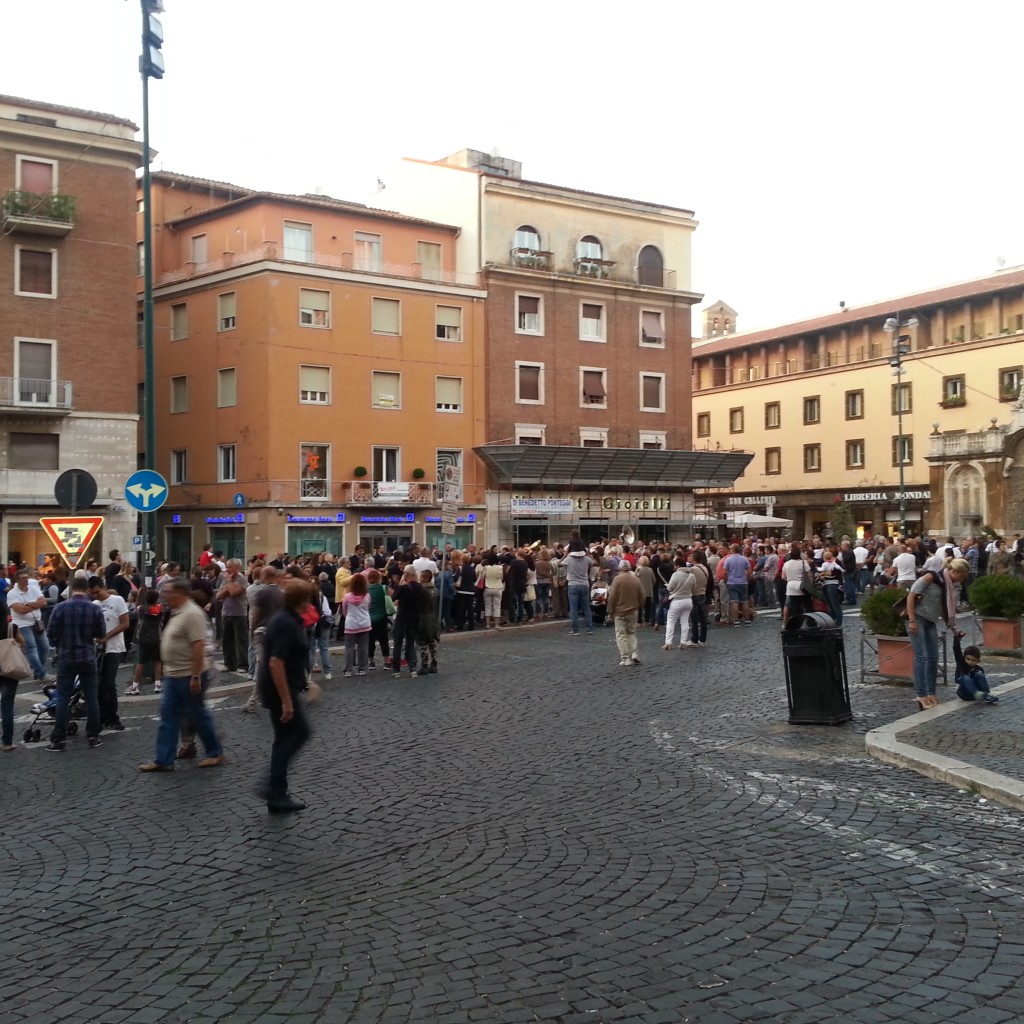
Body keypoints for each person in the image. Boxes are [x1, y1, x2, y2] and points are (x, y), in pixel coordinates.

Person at [138, 577, 226, 771]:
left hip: (188, 674)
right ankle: (163, 759)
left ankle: (215, 752)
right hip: (173, 674)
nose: (164, 594)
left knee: (197, 715)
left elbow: (198, 646)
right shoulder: (178, 612)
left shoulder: (192, 613)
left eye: (168, 592)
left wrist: (195, 676)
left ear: (180, 593)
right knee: (168, 716)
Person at [257, 579, 313, 812]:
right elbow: (276, 662)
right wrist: (287, 701)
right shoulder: (286, 623)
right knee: (299, 734)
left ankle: (276, 793)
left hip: (280, 685)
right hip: (280, 688)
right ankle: (272, 786)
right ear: (302, 600)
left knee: (284, 738)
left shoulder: (285, 618)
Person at [44, 576, 105, 752]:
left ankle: (59, 739)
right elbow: (100, 633)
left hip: (66, 656)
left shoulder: (60, 608)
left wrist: (59, 644)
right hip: (87, 657)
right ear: (86, 589)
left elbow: (51, 632)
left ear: (71, 588)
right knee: (91, 697)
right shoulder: (94, 608)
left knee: (63, 697)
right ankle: (93, 736)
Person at [906, 557, 969, 710]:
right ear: (953, 571)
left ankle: (931, 693)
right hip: (918, 619)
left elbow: (944, 609)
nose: (961, 580)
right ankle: (921, 695)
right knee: (921, 656)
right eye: (961, 576)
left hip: (930, 621)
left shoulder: (947, 585)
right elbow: (911, 596)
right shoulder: (931, 577)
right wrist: (912, 620)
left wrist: (954, 628)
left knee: (933, 657)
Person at [88, 576, 129, 731]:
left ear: (103, 587)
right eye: (92, 593)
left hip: (114, 648)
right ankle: (102, 716)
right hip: (97, 649)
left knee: (109, 684)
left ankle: (113, 716)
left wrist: (107, 636)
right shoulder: (94, 605)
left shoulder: (117, 600)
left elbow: (125, 623)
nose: (96, 596)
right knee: (98, 684)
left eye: (97, 592)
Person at [8, 569, 52, 683]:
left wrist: (28, 604)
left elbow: (44, 602)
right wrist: (36, 605)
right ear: (17, 580)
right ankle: (42, 673)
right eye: (23, 578)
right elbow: (20, 610)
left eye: (27, 577)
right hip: (22, 624)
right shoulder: (12, 593)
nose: (26, 579)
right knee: (32, 648)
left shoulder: (33, 588)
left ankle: (38, 670)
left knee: (45, 647)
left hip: (37, 622)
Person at [607, 562, 644, 667]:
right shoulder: (636, 579)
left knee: (621, 635)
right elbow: (642, 596)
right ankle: (634, 653)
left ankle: (625, 658)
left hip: (620, 611)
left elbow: (612, 597)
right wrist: (638, 606)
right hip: (633, 611)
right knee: (631, 632)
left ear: (620, 569)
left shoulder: (617, 579)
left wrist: (610, 611)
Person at [215, 559, 248, 672]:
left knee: (240, 640)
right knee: (227, 640)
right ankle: (229, 664)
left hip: (239, 613)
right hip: (226, 613)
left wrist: (229, 584)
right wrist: (228, 588)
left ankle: (243, 664)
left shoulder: (242, 579)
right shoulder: (225, 580)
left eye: (230, 567)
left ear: (237, 567)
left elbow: (234, 592)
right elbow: (218, 596)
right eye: (227, 567)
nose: (227, 570)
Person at [391, 568, 423, 678]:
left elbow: (394, 597)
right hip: (415, 618)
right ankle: (412, 668)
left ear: (406, 574)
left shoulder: (403, 587)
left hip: (402, 618)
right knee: (410, 644)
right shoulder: (420, 587)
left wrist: (399, 584)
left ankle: (396, 670)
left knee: (398, 644)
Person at [342, 571, 372, 677]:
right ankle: (362, 668)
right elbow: (368, 608)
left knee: (349, 647)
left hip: (351, 623)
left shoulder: (346, 596)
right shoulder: (367, 596)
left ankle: (348, 669)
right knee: (363, 647)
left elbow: (344, 610)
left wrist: (349, 616)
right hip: (364, 623)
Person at [953, 635, 999, 704]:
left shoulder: (978, 669)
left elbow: (981, 681)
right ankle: (977, 693)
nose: (970, 662)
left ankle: (987, 695)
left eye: (973, 660)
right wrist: (957, 639)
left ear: (978, 661)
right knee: (965, 677)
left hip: (976, 693)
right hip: (964, 693)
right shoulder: (961, 664)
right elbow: (957, 651)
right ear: (964, 658)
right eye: (968, 659)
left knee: (979, 674)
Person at [1, 624, 25, 752]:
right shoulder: (11, 627)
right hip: (8, 669)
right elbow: (22, 642)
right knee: (7, 706)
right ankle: (6, 742)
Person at [663, 556, 696, 649]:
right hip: (688, 600)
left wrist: (667, 585)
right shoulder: (691, 575)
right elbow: (694, 588)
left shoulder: (675, 575)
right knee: (685, 621)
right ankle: (683, 642)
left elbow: (670, 588)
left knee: (671, 621)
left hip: (676, 601)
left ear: (677, 565)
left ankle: (668, 643)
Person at [564, 538, 595, 636]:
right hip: (584, 584)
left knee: (573, 609)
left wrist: (565, 554)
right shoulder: (586, 559)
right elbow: (593, 563)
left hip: (573, 584)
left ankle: (575, 630)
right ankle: (589, 628)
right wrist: (588, 554)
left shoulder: (569, 559)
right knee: (586, 607)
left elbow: (559, 564)